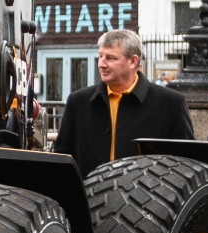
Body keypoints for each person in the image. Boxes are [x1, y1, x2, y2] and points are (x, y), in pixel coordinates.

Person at [52, 29, 194, 176]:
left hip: (148, 197)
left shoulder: (170, 103)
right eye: (100, 56)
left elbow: (186, 164)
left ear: (133, 61)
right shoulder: (78, 102)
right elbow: (62, 160)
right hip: (88, 197)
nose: (102, 64)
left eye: (111, 58)